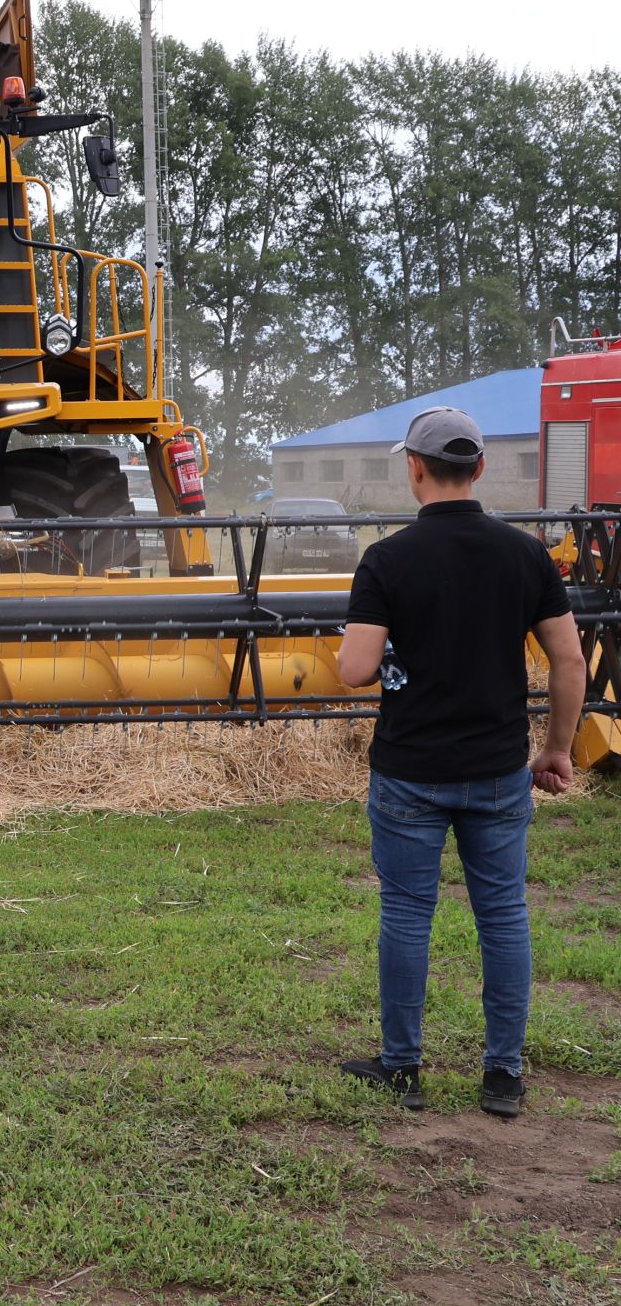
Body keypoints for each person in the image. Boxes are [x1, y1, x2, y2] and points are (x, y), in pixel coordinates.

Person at [336, 406, 584, 1119]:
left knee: (408, 913)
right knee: (504, 916)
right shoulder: (525, 554)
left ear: (413, 469)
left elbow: (355, 669)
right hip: (500, 770)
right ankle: (502, 1077)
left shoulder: (387, 559)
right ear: (478, 470)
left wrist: (352, 650)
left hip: (410, 771)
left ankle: (402, 1067)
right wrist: (558, 750)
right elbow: (567, 659)